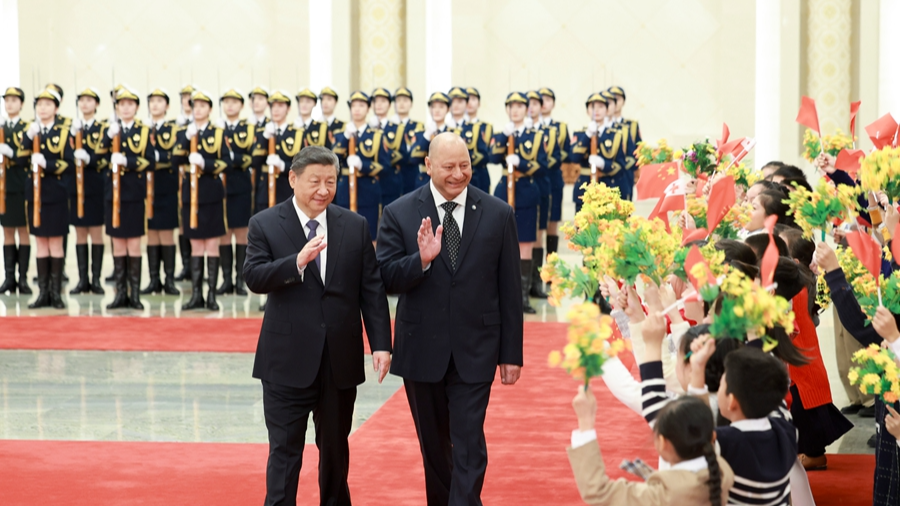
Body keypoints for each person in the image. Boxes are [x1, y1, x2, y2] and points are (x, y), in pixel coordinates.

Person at [376, 132, 523, 506]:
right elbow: (385, 278)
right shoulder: (399, 212)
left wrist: (511, 354)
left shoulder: (498, 213)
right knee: (435, 448)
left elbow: (510, 290)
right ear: (428, 165)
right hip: (421, 349)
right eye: (449, 167)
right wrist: (421, 261)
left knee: (469, 443)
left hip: (477, 348)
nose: (458, 174)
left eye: (465, 165)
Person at [243, 145, 392, 506]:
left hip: (338, 361)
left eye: (330, 182)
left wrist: (381, 344)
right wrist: (296, 262)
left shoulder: (354, 225)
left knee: (335, 454)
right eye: (315, 181)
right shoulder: (265, 223)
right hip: (286, 361)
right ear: (293, 179)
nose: (323, 190)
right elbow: (254, 276)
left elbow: (371, 289)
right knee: (284, 454)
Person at [569, 391, 733, 505]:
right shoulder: (721, 471)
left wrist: (585, 422)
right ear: (712, 438)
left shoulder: (664, 495)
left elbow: (599, 492)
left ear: (662, 443)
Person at [172, 89, 233, 311]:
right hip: (191, 197)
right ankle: (196, 295)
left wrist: (205, 164)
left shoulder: (218, 133)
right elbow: (174, 160)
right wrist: (185, 139)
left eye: (202, 106)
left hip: (211, 195)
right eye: (194, 106)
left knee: (212, 245)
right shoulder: (184, 132)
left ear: (209, 109)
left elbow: (227, 162)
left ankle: (211, 296)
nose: (197, 109)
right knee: (196, 245)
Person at [488, 91, 547, 314]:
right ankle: (500, 295)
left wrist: (521, 162)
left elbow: (542, 165)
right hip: (504, 191)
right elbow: (492, 157)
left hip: (526, 193)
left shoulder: (536, 136)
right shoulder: (502, 134)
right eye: (511, 106)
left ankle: (522, 298)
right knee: (500, 244)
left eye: (519, 106)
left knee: (525, 245)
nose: (515, 110)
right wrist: (504, 137)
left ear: (526, 109)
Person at [102, 87, 154, 310]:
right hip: (113, 195)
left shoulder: (143, 132)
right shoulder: (110, 131)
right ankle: (120, 294)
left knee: (133, 245)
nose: (125, 108)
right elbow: (96, 157)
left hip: (134, 195)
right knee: (118, 245)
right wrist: (108, 138)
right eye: (121, 104)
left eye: (130, 104)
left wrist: (128, 162)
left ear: (137, 107)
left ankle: (134, 296)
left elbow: (150, 162)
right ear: (116, 108)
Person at [23, 88, 75, 309]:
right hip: (36, 195)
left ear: (56, 108)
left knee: (55, 243)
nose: (42, 108)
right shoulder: (31, 131)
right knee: (40, 243)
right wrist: (28, 137)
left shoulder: (64, 133)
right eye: (39, 105)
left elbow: (69, 164)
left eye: (47, 104)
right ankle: (43, 293)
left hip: (56, 194)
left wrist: (48, 165)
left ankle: (56, 294)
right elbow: (19, 158)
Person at [331, 90, 391, 241]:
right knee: (344, 236)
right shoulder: (340, 135)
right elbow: (331, 159)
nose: (357, 109)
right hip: (345, 191)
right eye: (354, 105)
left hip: (368, 192)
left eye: (361, 105)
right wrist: (345, 137)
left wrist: (362, 165)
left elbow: (385, 167)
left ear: (368, 109)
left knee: (368, 236)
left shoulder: (376, 135)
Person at [66, 88, 107, 295]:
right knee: (80, 233)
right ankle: (83, 280)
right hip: (77, 187)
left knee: (96, 233)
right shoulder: (71, 129)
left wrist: (90, 159)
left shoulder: (104, 129)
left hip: (96, 186)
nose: (85, 104)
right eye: (81, 100)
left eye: (89, 100)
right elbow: (63, 156)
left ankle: (96, 280)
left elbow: (106, 156)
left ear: (96, 104)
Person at [142, 88, 181, 296]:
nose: (155, 105)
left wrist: (157, 158)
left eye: (159, 101)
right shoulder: (142, 129)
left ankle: (169, 280)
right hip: (146, 189)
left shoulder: (174, 130)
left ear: (167, 106)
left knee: (166, 234)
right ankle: (153, 280)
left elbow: (176, 156)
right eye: (152, 101)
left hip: (166, 186)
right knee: (151, 235)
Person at [215, 88, 254, 297]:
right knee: (223, 233)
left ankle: (240, 280)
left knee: (241, 233)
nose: (229, 106)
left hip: (240, 186)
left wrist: (232, 159)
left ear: (241, 105)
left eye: (234, 102)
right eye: (226, 102)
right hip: (221, 187)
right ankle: (226, 280)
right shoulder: (216, 129)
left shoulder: (248, 129)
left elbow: (252, 158)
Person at [568, 93, 627, 213]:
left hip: (607, 188)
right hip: (584, 190)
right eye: (592, 107)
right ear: (587, 111)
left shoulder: (615, 135)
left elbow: (621, 166)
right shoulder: (580, 134)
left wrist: (604, 164)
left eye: (601, 106)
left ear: (607, 110)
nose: (596, 110)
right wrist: (588, 135)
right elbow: (573, 157)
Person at [0, 86, 33, 295]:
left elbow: (26, 156)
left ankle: (23, 278)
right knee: (7, 232)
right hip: (4, 186)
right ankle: (9, 278)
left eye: (14, 100)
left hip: (21, 184)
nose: (10, 104)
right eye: (7, 100)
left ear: (21, 104)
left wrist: (11, 152)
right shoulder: (1, 127)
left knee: (23, 231)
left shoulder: (27, 128)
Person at [251, 90, 303, 214]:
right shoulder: (262, 132)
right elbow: (254, 161)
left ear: (288, 109)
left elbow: (302, 165)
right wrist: (265, 137)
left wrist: (283, 165)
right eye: (273, 106)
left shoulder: (297, 133)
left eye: (280, 106)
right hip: (265, 192)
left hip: (287, 190)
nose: (276, 110)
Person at [526, 90, 554, 300]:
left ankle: (537, 281)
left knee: (539, 234)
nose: (532, 107)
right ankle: (527, 283)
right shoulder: (519, 131)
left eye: (536, 103)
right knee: (527, 235)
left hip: (543, 185)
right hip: (523, 188)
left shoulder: (549, 131)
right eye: (529, 103)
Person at [538, 87, 569, 270]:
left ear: (554, 104)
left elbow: (566, 152)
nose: (544, 104)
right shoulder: (530, 127)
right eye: (540, 100)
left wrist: (545, 161)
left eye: (548, 100)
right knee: (536, 226)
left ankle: (551, 269)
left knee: (552, 223)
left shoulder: (560, 128)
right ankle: (536, 272)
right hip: (537, 179)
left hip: (554, 178)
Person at [414, 91, 459, 190]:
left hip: (448, 178)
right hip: (425, 179)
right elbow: (414, 158)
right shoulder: (422, 133)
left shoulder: (454, 133)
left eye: (441, 107)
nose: (437, 110)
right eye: (433, 107)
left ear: (448, 109)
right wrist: (427, 135)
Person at [369, 87, 404, 207]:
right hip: (369, 183)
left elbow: (403, 155)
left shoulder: (396, 128)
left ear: (389, 105)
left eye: (383, 101)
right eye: (375, 101)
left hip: (390, 181)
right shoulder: (366, 129)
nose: (379, 104)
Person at [391, 87, 426, 196]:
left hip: (412, 173)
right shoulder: (389, 127)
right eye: (398, 100)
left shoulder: (418, 126)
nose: (402, 104)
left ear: (411, 104)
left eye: (405, 100)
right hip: (392, 175)